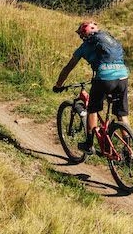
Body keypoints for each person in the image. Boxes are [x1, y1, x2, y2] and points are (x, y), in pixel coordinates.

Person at [53, 20, 129, 152]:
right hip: (123, 76)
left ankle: (89, 144)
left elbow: (68, 67)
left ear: (84, 35)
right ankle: (128, 149)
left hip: (104, 78)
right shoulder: (110, 39)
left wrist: (59, 84)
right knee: (121, 113)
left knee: (92, 110)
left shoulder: (85, 46)